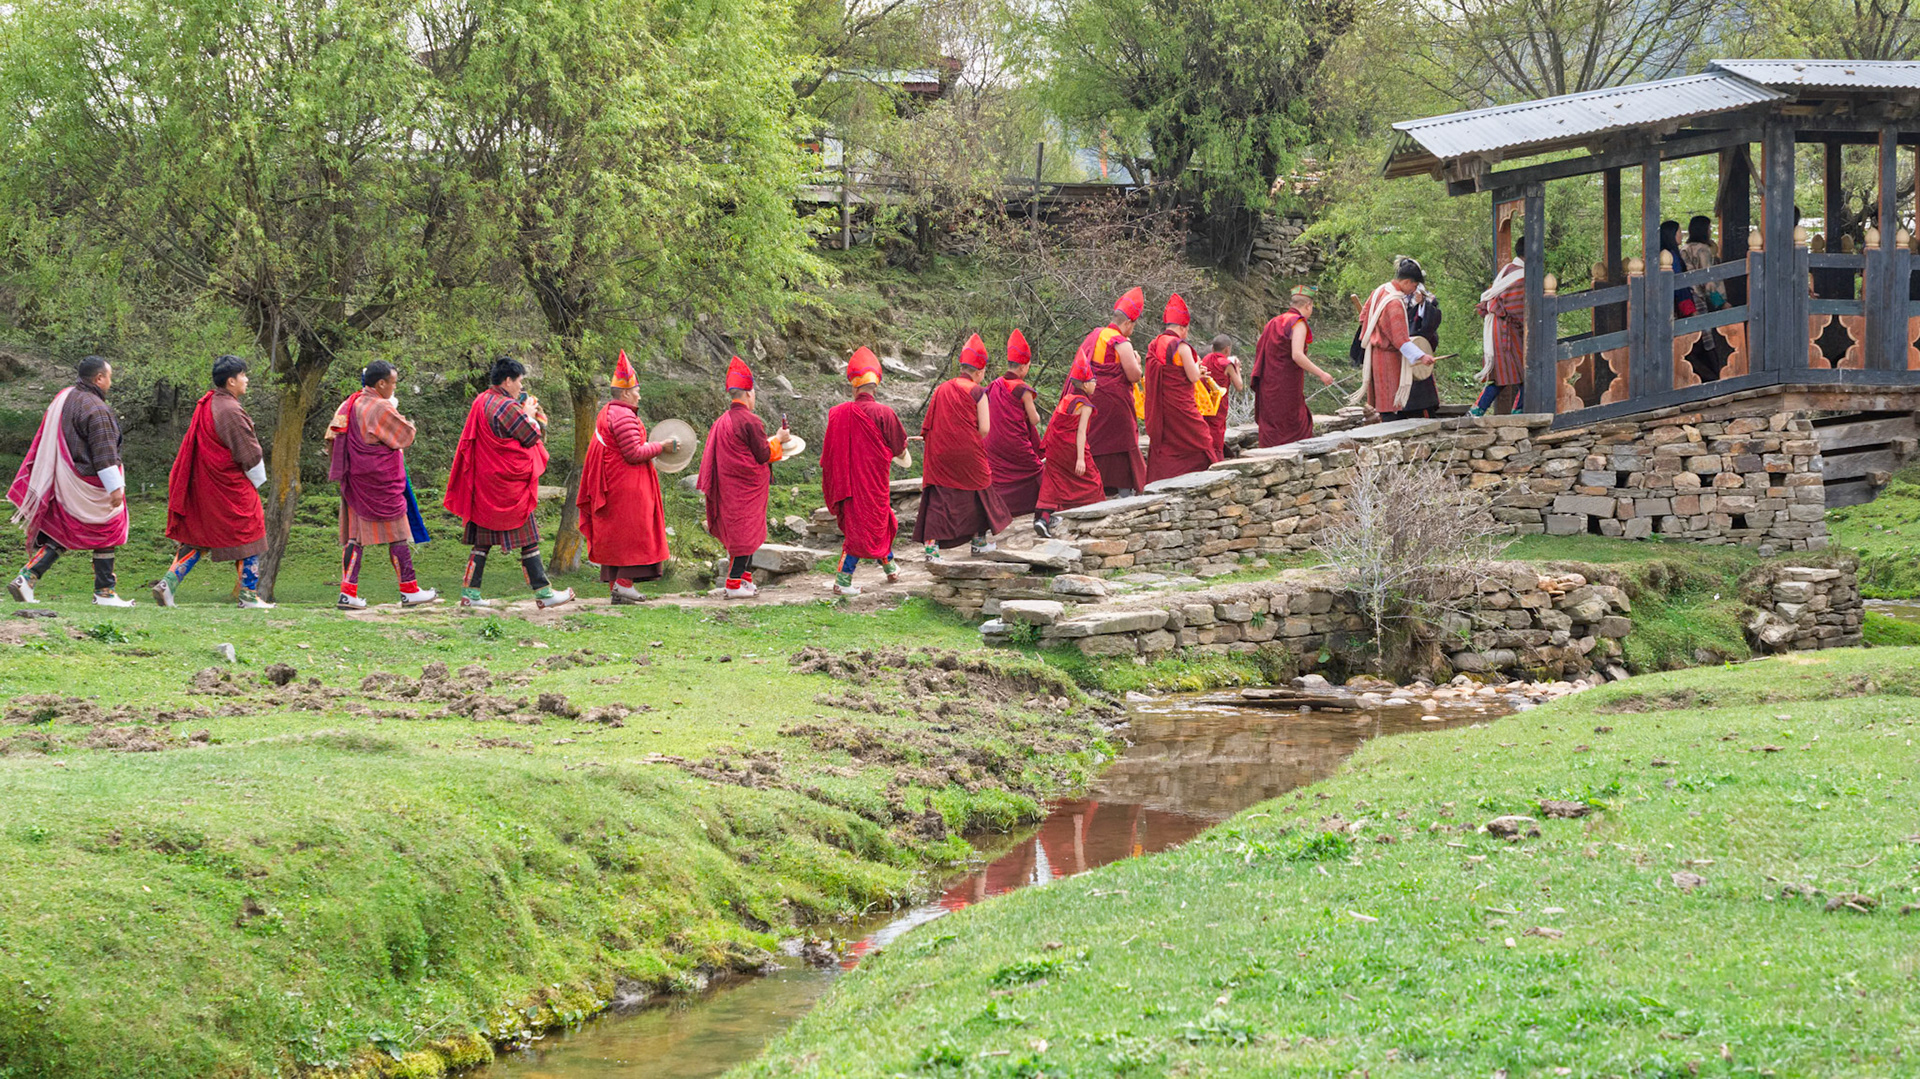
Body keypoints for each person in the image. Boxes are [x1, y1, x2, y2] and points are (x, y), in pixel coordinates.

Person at [443, 356, 573, 609]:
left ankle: (470, 594)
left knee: (482, 542)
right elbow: (531, 435)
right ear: (507, 380)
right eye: (519, 382)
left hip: (484, 483)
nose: (521, 388)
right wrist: (531, 414)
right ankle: (544, 595)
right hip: (507, 487)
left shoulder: (482, 400)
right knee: (530, 539)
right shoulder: (506, 407)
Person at [6, 356, 133, 606]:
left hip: (67, 479)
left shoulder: (67, 397)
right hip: (90, 483)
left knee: (65, 531)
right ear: (98, 378)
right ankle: (105, 593)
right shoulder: (96, 409)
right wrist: (115, 488)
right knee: (110, 530)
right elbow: (105, 453)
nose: (110, 381)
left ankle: (27, 578)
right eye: (109, 376)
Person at [154, 354, 271, 609]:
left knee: (200, 535)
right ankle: (249, 596)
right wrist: (258, 480)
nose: (247, 380)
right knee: (252, 528)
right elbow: (248, 452)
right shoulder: (230, 410)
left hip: (206, 483)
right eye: (243, 376)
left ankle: (168, 583)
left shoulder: (208, 404)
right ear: (231, 381)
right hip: (228, 484)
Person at [325, 360, 436, 610]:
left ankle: (348, 592)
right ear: (381, 383)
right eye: (393, 383)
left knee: (355, 537)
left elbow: (331, 437)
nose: (394, 388)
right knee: (398, 534)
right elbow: (405, 435)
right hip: (381, 482)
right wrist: (401, 415)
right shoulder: (379, 406)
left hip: (356, 482)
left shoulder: (349, 403)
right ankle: (409, 589)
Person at [578, 351, 679, 604]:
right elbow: (633, 453)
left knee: (617, 533)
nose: (639, 394)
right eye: (636, 390)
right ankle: (623, 585)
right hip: (626, 485)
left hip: (616, 482)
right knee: (634, 532)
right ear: (624, 393)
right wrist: (662, 446)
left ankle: (617, 587)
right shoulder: (623, 416)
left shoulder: (609, 412)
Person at [820, 347, 910, 596]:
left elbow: (829, 455)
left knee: (878, 525)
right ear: (876, 385)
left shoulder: (837, 415)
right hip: (872, 483)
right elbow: (899, 448)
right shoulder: (885, 413)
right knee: (864, 530)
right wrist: (902, 450)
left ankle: (890, 567)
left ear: (853, 386)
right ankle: (842, 581)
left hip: (848, 484)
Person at [696, 356, 787, 599]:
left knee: (740, 533)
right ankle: (734, 584)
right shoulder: (751, 421)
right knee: (745, 535)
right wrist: (779, 439)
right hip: (744, 488)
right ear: (748, 394)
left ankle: (745, 580)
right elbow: (762, 454)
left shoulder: (721, 421)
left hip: (729, 487)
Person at [915, 334, 1010, 559]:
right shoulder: (978, 392)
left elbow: (930, 424)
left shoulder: (941, 389)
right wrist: (966, 440)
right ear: (979, 372)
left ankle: (931, 549)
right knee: (980, 492)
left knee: (940, 498)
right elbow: (984, 428)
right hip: (967, 451)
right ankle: (978, 541)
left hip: (940, 452)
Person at [1068, 287, 1146, 497]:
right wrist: (1138, 362)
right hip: (1115, 402)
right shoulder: (1120, 341)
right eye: (1133, 326)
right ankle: (1123, 490)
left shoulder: (1096, 334)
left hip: (1093, 398)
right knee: (1123, 442)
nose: (1133, 330)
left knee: (1095, 441)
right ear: (1128, 323)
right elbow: (1134, 376)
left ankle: (1094, 486)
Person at [1142, 293, 1220, 484]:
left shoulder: (1155, 344)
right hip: (1181, 407)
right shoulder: (1181, 346)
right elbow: (1192, 377)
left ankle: (1161, 479)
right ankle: (1205, 478)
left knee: (1168, 444)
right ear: (1183, 327)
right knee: (1201, 438)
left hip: (1162, 408)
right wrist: (1199, 372)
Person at [1353, 258, 1440, 420]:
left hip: (1375, 354)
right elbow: (1400, 340)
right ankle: (1392, 438)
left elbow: (1363, 317)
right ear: (1407, 282)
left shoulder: (1379, 290)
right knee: (1391, 404)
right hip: (1389, 358)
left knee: (1384, 402)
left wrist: (1376, 332)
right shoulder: (1394, 303)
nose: (1414, 291)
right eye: (1414, 286)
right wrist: (1422, 356)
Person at [1252, 286, 1333, 447]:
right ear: (1308, 305)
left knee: (1273, 427)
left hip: (1269, 385)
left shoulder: (1273, 322)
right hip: (1286, 387)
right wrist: (1322, 373)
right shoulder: (1297, 323)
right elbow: (1297, 355)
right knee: (1294, 426)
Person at [984, 329, 1046, 529]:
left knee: (1000, 480)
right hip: (1016, 443)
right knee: (1037, 471)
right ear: (1025, 366)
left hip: (993, 444)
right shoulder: (1022, 389)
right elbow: (1035, 420)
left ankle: (997, 514)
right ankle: (1045, 513)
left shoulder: (994, 385)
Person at [1035, 350, 1104, 528]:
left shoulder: (1067, 399)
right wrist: (1081, 458)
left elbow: (1053, 424)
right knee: (1092, 481)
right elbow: (1080, 433)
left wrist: (1048, 450)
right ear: (1085, 384)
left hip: (1056, 448)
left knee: (1055, 483)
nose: (1095, 383)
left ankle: (1044, 519)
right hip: (1073, 449)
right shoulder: (1085, 405)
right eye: (1093, 380)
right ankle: (1095, 518)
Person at [1470, 256, 1527, 417]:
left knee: (1506, 375)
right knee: (1523, 373)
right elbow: (1518, 309)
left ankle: (1477, 410)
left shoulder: (1508, 269)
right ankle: (1517, 412)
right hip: (1506, 331)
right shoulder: (1521, 276)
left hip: (1497, 328)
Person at [1399, 275, 1444, 418]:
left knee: (1421, 389)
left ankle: (1424, 412)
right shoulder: (1396, 296)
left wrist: (1422, 303)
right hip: (1401, 349)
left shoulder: (1424, 296)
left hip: (1418, 347)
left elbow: (1430, 322)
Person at [1199, 333, 1244, 459]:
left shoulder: (1206, 359)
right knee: (1217, 431)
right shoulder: (1227, 365)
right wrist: (1237, 368)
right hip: (1219, 404)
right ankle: (1216, 458)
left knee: (1206, 430)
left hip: (1205, 403)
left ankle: (1206, 457)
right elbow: (1239, 386)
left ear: (1212, 349)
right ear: (1227, 350)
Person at [1683, 215, 1722, 310]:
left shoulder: (1685, 248)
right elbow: (1707, 276)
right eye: (1709, 228)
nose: (1710, 231)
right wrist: (1720, 302)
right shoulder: (1702, 249)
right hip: (1702, 297)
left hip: (1689, 294)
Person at [1660, 220, 1693, 316]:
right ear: (1672, 234)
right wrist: (1689, 309)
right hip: (1673, 302)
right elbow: (1678, 282)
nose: (1681, 235)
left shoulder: (1659, 253)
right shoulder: (1671, 256)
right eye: (1679, 232)